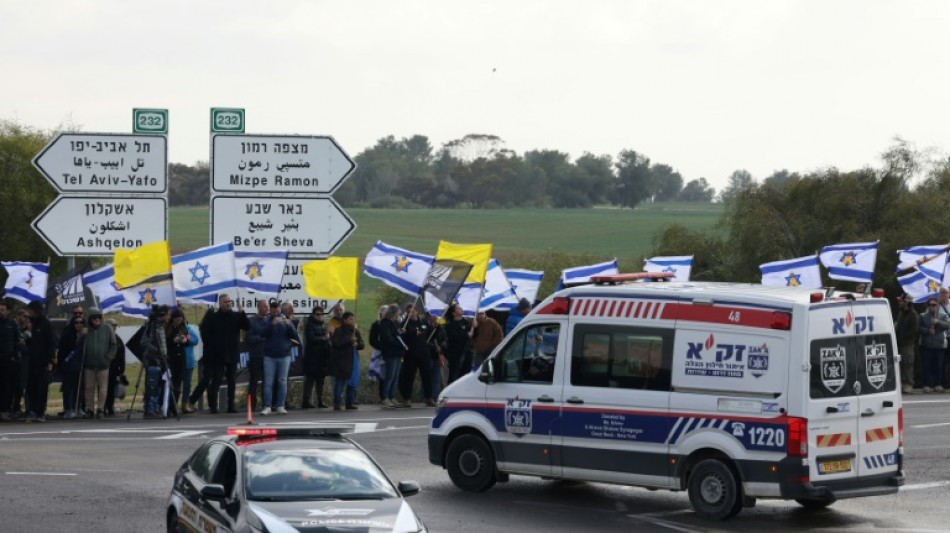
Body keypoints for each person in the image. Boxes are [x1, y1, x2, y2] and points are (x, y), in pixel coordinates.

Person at [189, 294, 250, 413]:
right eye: (225, 302)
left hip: (232, 353)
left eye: (229, 301)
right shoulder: (214, 317)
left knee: (232, 380)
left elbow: (247, 326)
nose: (228, 304)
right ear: (220, 303)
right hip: (217, 354)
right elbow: (205, 334)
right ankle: (213, 406)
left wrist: (242, 313)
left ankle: (230, 405)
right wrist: (212, 346)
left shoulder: (236, 316)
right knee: (215, 381)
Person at [260, 300, 299, 415]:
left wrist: (289, 326)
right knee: (268, 382)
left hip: (284, 356)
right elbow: (262, 333)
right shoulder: (267, 321)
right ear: (270, 310)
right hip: (269, 356)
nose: (276, 311)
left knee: (282, 381)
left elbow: (295, 336)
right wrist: (272, 325)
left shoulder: (286, 320)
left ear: (280, 310)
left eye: (277, 309)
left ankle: (281, 405)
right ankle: (267, 406)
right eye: (273, 309)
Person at [81, 307, 116, 419]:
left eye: (98, 317)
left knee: (103, 388)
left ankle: (100, 408)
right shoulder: (86, 330)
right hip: (89, 364)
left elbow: (113, 345)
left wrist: (108, 357)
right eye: (94, 318)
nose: (97, 319)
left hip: (103, 364)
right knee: (89, 388)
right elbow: (79, 345)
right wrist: (82, 335)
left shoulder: (107, 328)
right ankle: (89, 409)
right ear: (90, 319)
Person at [24, 300, 55, 422]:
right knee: (31, 387)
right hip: (32, 361)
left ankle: (40, 412)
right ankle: (32, 410)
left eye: (31, 310)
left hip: (43, 361)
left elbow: (50, 343)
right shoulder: (32, 323)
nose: (29, 313)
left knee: (42, 388)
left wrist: (50, 361)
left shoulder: (45, 323)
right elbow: (32, 342)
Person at [398, 305, 434, 407]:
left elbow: (431, 333)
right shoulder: (404, 324)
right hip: (410, 354)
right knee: (409, 377)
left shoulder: (423, 322)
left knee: (427, 376)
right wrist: (413, 332)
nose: (411, 314)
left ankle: (429, 397)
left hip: (424, 353)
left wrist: (436, 327)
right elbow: (401, 336)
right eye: (409, 312)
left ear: (417, 312)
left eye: (413, 311)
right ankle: (407, 399)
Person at [328, 311, 364, 410]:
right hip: (342, 359)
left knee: (352, 382)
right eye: (350, 319)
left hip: (353, 359)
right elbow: (337, 343)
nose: (353, 321)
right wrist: (349, 340)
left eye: (353, 319)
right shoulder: (339, 330)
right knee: (340, 381)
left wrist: (357, 344)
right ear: (345, 320)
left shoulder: (355, 331)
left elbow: (362, 344)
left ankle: (350, 402)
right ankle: (337, 403)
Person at [140, 304, 170, 418]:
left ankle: (156, 407)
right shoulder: (151, 327)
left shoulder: (161, 327)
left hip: (161, 360)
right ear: (162, 315)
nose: (169, 318)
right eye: (167, 315)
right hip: (152, 359)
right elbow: (144, 342)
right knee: (152, 385)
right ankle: (150, 409)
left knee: (159, 385)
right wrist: (156, 350)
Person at [56, 313, 85, 419]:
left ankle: (79, 407)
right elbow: (62, 352)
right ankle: (69, 409)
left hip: (80, 366)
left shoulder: (85, 335)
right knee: (69, 389)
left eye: (81, 322)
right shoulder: (68, 335)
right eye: (76, 322)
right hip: (68, 366)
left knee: (80, 388)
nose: (79, 324)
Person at [242, 300, 269, 411]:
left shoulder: (269, 321)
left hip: (268, 357)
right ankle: (251, 405)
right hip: (255, 357)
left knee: (267, 382)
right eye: (264, 307)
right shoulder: (251, 321)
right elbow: (247, 338)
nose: (267, 309)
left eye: (267, 307)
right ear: (258, 308)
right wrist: (260, 338)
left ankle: (266, 404)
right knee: (253, 382)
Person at [301, 305, 330, 409]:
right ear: (313, 315)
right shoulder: (309, 325)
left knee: (320, 381)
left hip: (322, 357)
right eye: (318, 314)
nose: (320, 316)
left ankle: (320, 400)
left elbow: (328, 337)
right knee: (310, 380)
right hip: (311, 356)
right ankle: (306, 400)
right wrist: (324, 338)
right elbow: (312, 339)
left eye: (321, 314)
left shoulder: (325, 324)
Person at [918, 298, 949, 393]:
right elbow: (919, 328)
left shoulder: (943, 315)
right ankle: (927, 385)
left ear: (937, 306)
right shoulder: (923, 316)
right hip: (927, 345)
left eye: (935, 305)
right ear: (928, 306)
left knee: (939, 366)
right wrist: (927, 331)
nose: (933, 306)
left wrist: (937, 322)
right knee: (927, 366)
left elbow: (947, 325)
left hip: (939, 345)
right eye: (931, 305)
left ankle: (938, 384)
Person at [377, 304, 405, 408]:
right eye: (398, 312)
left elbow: (396, 335)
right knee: (389, 376)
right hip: (390, 353)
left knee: (395, 376)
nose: (399, 314)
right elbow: (388, 338)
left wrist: (401, 333)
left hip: (397, 353)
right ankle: (385, 398)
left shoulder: (395, 323)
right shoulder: (385, 323)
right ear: (393, 312)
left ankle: (392, 396)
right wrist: (399, 344)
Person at [165, 309, 191, 414]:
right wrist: (173, 341)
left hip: (181, 356)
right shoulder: (168, 328)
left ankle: (174, 404)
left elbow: (188, 337)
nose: (179, 322)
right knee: (172, 383)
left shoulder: (183, 327)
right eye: (177, 320)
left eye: (180, 320)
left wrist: (185, 340)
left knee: (178, 383)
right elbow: (166, 341)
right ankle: (170, 405)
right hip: (172, 356)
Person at [0, 302, 22, 421]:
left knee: (6, 387)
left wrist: (14, 355)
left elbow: (17, 340)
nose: (0, 312)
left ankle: (5, 410)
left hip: (8, 360)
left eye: (3, 310)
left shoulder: (12, 323)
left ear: (8, 311)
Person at [895, 295, 918, 394]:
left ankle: (908, 384)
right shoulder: (901, 313)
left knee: (908, 364)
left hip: (908, 344)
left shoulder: (913, 315)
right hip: (899, 344)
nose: (900, 303)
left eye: (902, 301)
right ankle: (901, 383)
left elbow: (914, 330)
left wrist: (903, 336)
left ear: (907, 302)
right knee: (900, 364)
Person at [444, 303, 473, 384]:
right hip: (455, 354)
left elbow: (473, 335)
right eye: (458, 308)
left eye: (460, 307)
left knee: (466, 375)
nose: (460, 309)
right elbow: (454, 337)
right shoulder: (450, 325)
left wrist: (476, 327)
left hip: (466, 353)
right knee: (454, 376)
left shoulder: (466, 322)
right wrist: (466, 335)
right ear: (453, 313)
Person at [103, 318, 126, 416]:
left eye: (115, 325)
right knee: (103, 389)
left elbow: (121, 354)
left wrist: (122, 368)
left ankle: (110, 407)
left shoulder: (118, 339)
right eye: (113, 325)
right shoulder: (103, 338)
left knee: (111, 389)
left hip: (114, 369)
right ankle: (103, 407)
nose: (115, 327)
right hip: (104, 367)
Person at [367, 305, 388, 403]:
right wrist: (381, 346)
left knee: (390, 375)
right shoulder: (376, 325)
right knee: (381, 375)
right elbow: (372, 340)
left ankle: (389, 395)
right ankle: (382, 396)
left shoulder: (391, 324)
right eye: (383, 312)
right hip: (379, 352)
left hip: (390, 352)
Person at [427, 314, 448, 402]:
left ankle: (435, 395)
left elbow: (444, 339)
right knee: (428, 376)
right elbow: (426, 341)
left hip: (438, 354)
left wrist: (441, 347)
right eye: (433, 316)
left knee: (436, 376)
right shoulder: (427, 327)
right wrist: (434, 347)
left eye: (436, 316)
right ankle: (426, 395)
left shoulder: (440, 327)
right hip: (429, 354)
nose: (435, 317)